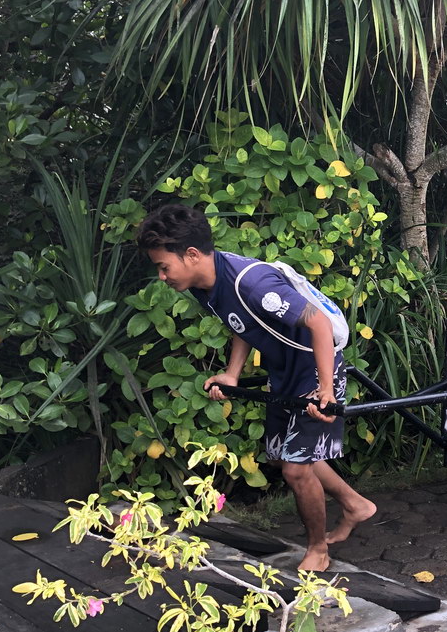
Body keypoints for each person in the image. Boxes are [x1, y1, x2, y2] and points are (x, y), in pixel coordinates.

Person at [136, 204, 376, 571]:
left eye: (164, 266)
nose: (161, 276)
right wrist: (232, 374)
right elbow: (242, 324)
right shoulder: (205, 286)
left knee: (296, 470)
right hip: (284, 372)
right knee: (282, 457)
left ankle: (318, 550)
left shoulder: (254, 284)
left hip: (315, 369)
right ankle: (355, 504)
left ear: (192, 254)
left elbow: (319, 324)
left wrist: (326, 389)